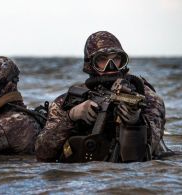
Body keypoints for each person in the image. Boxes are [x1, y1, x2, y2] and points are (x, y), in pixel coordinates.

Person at [35, 31, 169, 163]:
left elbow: (148, 154)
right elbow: (42, 153)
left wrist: (136, 123)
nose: (111, 66)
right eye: (102, 59)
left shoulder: (148, 98)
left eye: (116, 58)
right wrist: (70, 117)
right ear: (90, 64)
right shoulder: (68, 100)